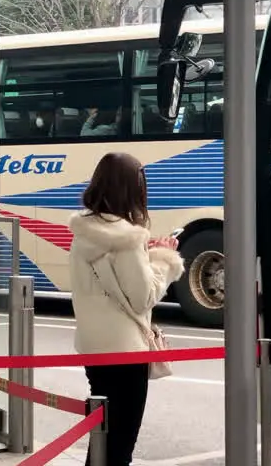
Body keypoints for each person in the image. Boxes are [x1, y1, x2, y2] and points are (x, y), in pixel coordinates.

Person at [68, 152, 184, 466]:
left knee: (104, 438)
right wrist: (163, 259)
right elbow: (144, 296)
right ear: (132, 191)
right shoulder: (128, 238)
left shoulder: (83, 233)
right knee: (120, 445)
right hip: (126, 352)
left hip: (93, 347)